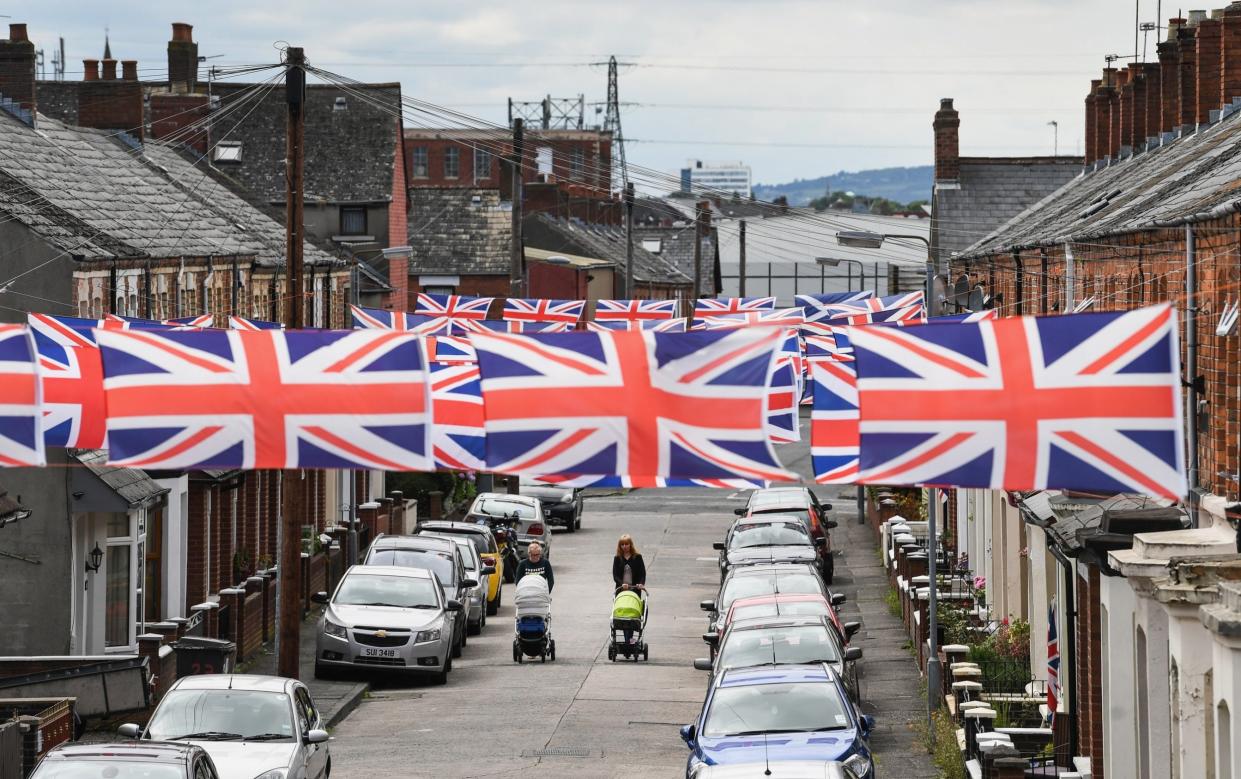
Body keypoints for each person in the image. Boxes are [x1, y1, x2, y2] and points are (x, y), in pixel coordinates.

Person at [613, 535, 646, 643]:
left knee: (632, 614)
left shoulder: (637, 557)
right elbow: (615, 575)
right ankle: (628, 639)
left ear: (630, 545)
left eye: (626, 544)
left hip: (634, 589)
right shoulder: (617, 558)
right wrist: (622, 584)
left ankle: (629, 639)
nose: (624, 546)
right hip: (622, 590)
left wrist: (641, 584)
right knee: (623, 614)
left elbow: (642, 573)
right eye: (622, 544)